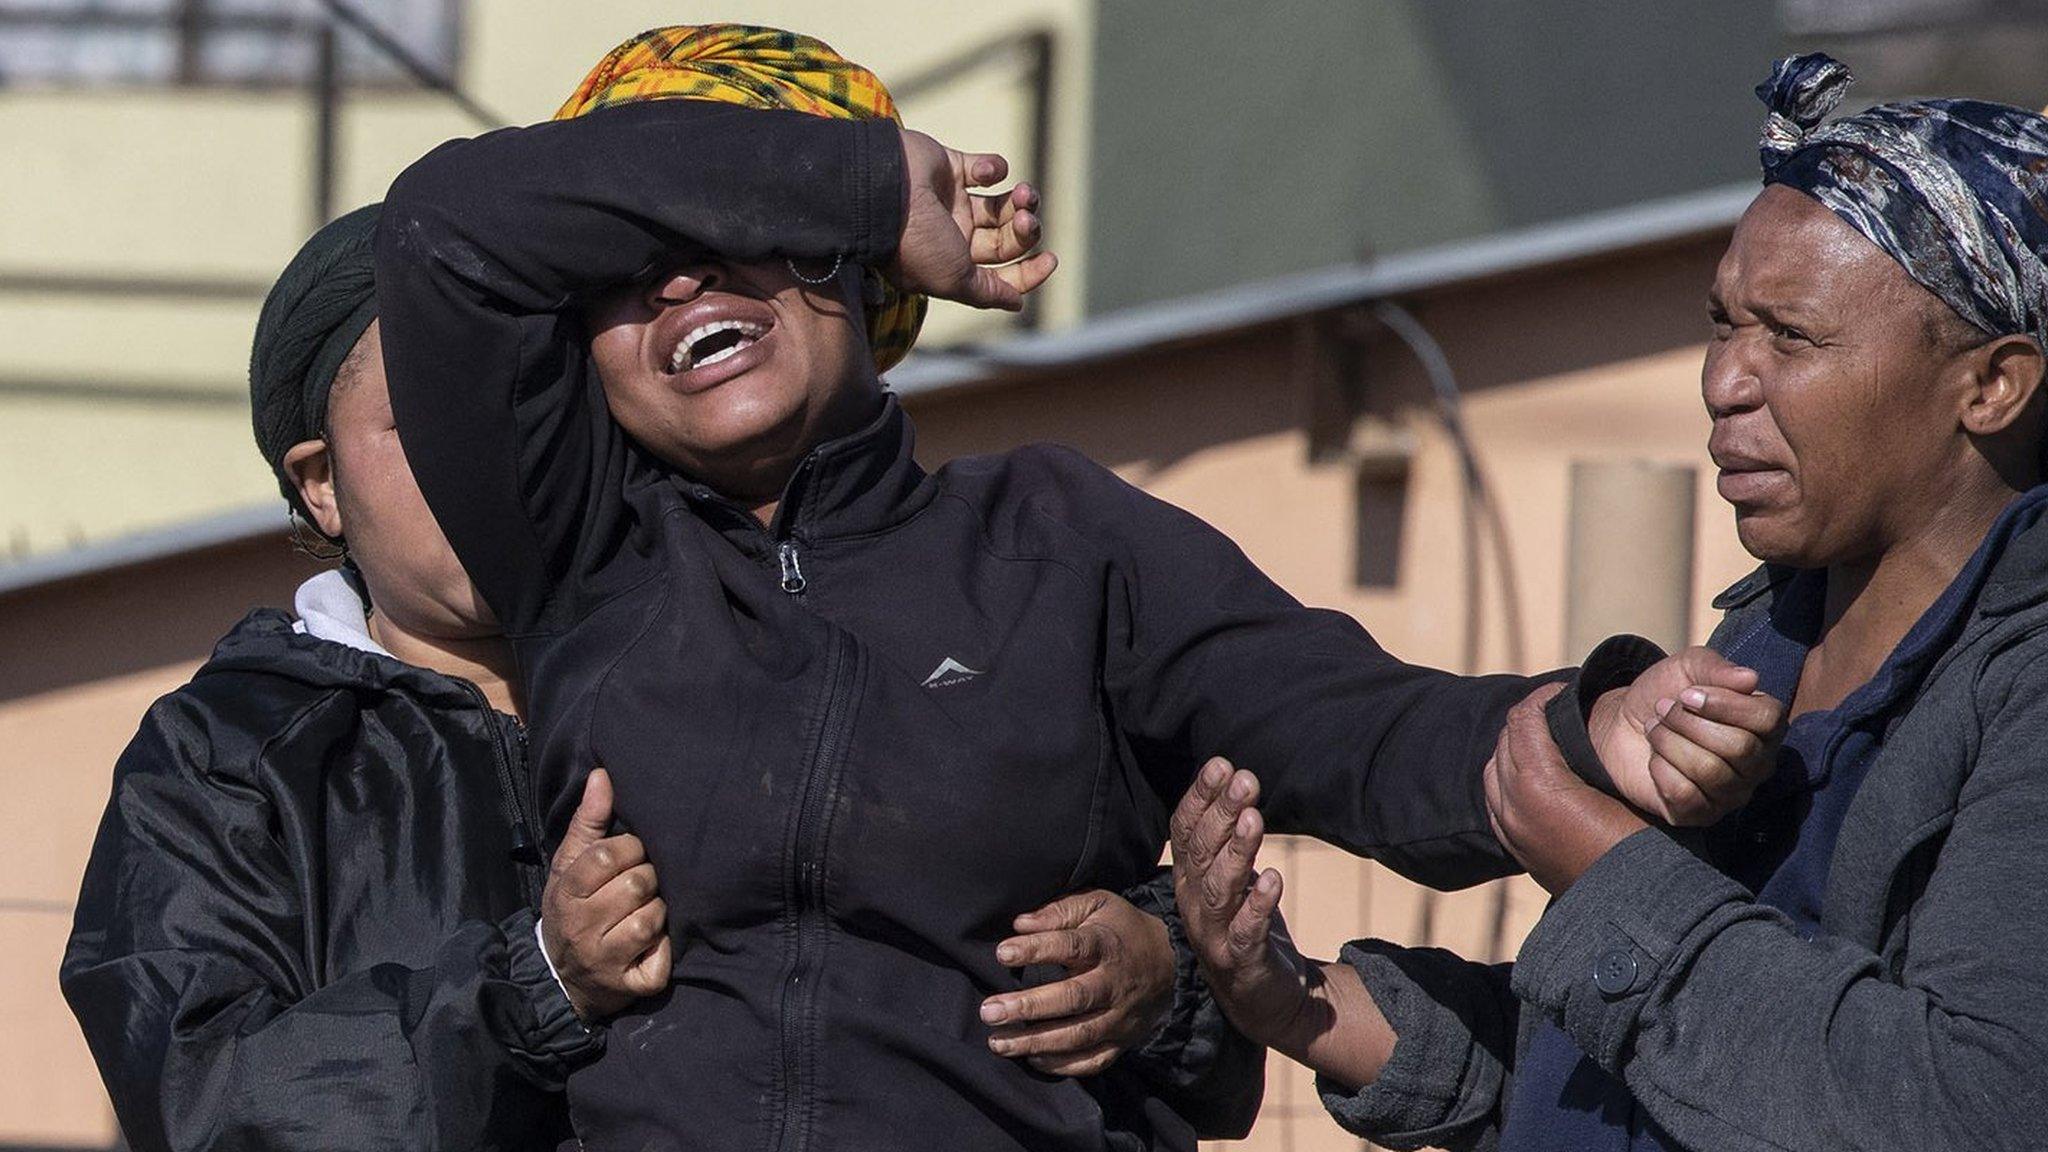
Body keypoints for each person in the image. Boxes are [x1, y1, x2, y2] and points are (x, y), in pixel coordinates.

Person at [373, 24, 1778, 1152]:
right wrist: (869, 183)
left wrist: (1589, 731)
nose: (681, 283)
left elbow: (1356, 725)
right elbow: (444, 227)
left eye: (745, 232)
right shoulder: (584, 557)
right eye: (623, 269)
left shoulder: (1063, 543)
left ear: (864, 287)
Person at [62, 205, 1198, 1151]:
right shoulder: (233, 753)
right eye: (430, 423)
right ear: (319, 484)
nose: (498, 463)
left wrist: (1166, 975)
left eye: (539, 409)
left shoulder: (815, 625)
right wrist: (535, 987)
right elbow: (196, 1095)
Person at [1170, 52, 2048, 1152]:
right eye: (1722, 325)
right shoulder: (1762, 642)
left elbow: (1968, 1115)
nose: (1724, 381)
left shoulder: (2021, 695)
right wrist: (1289, 1000)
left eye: (1790, 335)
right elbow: (1633, 1064)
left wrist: (1600, 868)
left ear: (1990, 385)